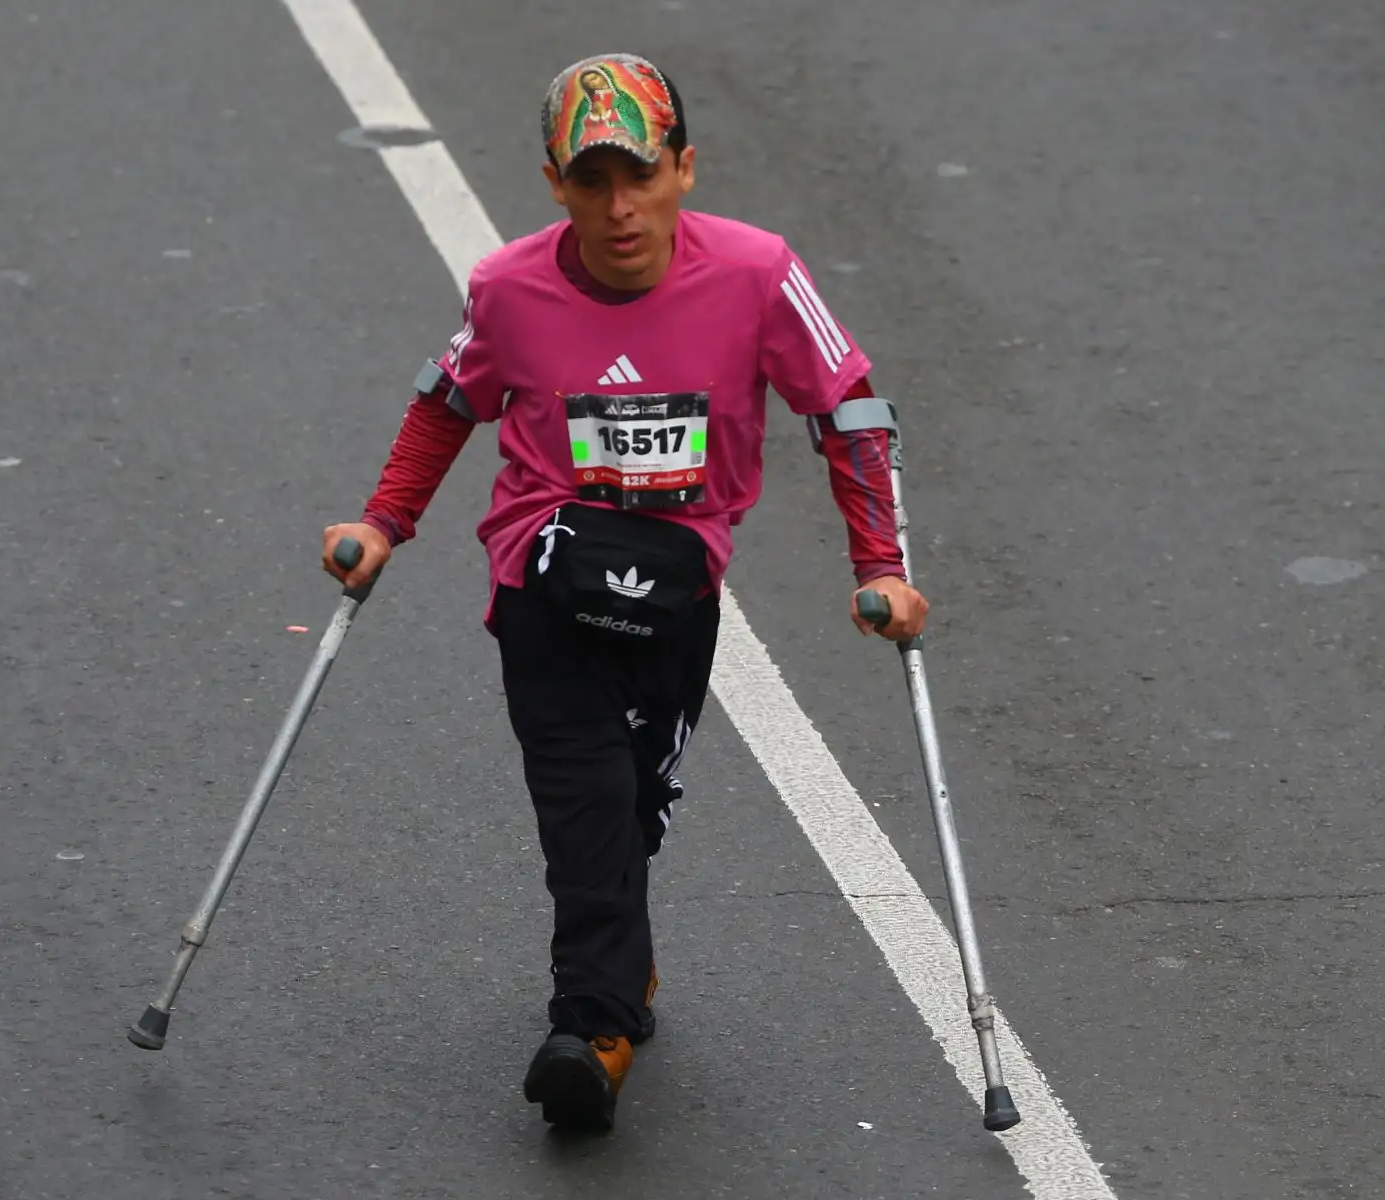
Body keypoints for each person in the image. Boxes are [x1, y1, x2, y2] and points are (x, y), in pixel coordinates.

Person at [320, 52, 929, 1132]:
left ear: (684, 170)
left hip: (678, 589)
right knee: (585, 798)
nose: (618, 209)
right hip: (542, 580)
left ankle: (618, 972)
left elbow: (848, 412)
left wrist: (880, 568)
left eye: (639, 177)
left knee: (635, 804)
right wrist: (381, 523)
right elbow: (446, 404)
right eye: (590, 181)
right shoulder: (509, 287)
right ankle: (591, 1031)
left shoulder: (758, 274)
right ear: (554, 183)